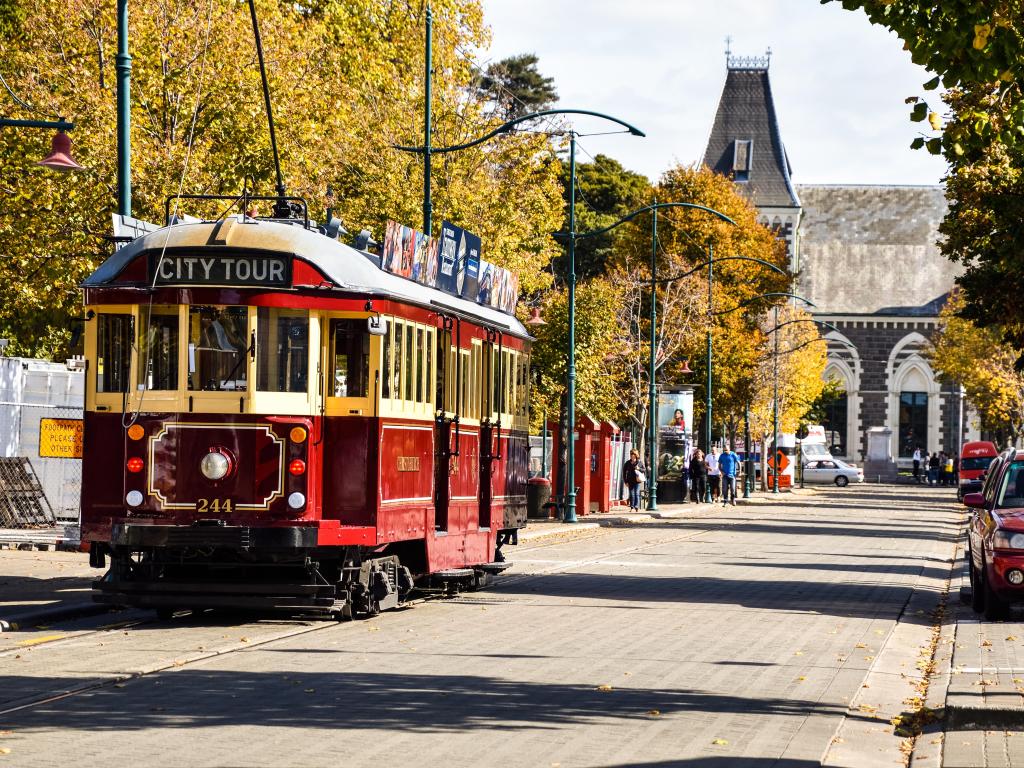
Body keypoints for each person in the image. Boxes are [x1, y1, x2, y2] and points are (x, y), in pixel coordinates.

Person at [622, 449, 646, 513]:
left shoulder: (639, 462)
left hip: (637, 481)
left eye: (633, 455)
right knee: (631, 494)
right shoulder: (628, 463)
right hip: (630, 481)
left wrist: (639, 468)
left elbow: (644, 470)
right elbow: (624, 472)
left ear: (636, 455)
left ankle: (636, 507)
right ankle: (632, 507)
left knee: (636, 494)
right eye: (631, 455)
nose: (632, 456)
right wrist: (625, 481)